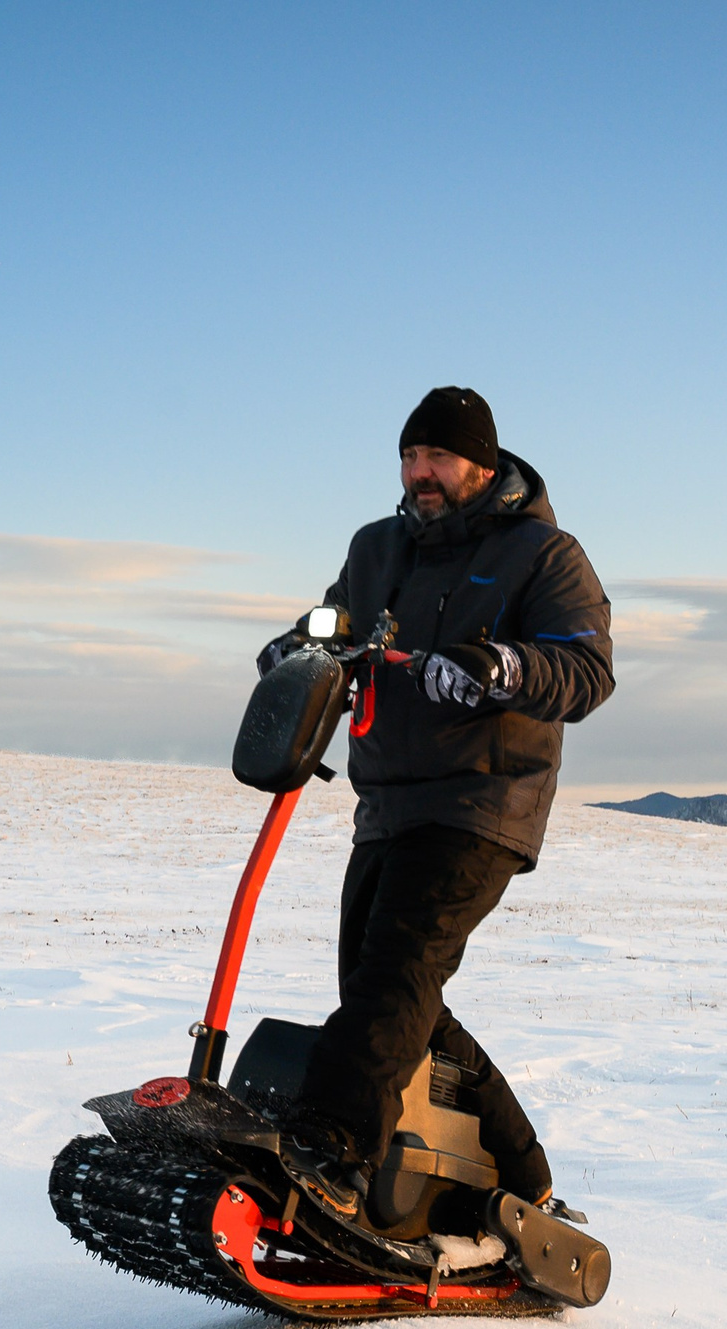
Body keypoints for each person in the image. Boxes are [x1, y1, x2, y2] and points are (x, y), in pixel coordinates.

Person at [257, 387, 614, 1220]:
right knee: (392, 999)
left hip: (483, 803)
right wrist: (298, 650)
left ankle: (334, 1157)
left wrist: (501, 667)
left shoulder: (543, 553)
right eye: (410, 458)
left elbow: (586, 669)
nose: (421, 474)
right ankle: (525, 1184)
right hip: (386, 805)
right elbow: (336, 621)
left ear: (482, 466)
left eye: (438, 459)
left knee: (394, 981)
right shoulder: (377, 547)